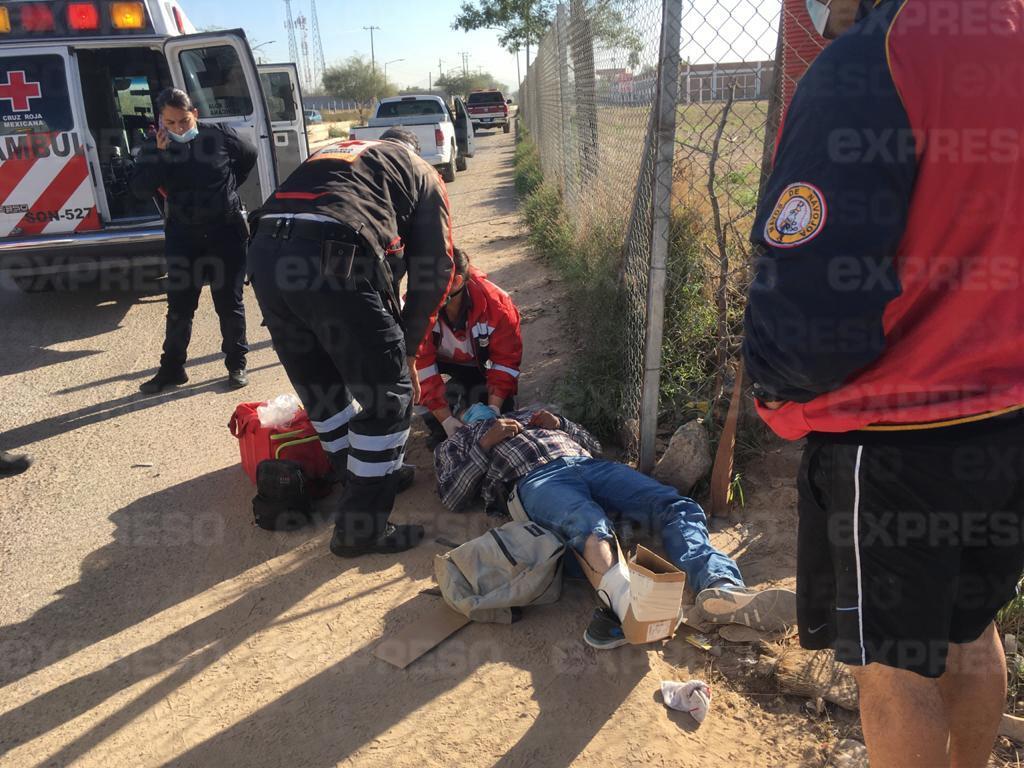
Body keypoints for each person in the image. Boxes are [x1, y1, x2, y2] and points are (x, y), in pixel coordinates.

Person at [742, 1, 1024, 765]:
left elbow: (810, 294)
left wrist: (775, 388)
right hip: (1011, 408)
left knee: (894, 669)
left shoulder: (874, 59)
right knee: (971, 629)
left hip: (899, 435)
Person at [247, 128, 454, 558]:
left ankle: (359, 474)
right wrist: (409, 349)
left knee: (320, 381)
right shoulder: (422, 173)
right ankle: (361, 528)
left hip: (266, 254)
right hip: (332, 255)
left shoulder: (338, 151)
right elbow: (435, 268)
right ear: (416, 151)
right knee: (389, 396)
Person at [434, 404, 796, 648]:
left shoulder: (529, 413)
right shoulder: (459, 442)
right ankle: (628, 607)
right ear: (467, 421)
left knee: (676, 505)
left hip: (588, 465)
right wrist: (484, 442)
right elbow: (453, 495)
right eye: (477, 413)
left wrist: (561, 425)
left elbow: (592, 444)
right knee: (589, 524)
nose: (487, 412)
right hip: (534, 481)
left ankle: (721, 587)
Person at [130, 88, 258, 394]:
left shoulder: (222, 137)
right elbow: (139, 189)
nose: (178, 129)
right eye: (170, 123)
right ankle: (172, 369)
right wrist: (160, 156)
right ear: (160, 121)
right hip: (183, 237)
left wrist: (226, 191)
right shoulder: (154, 146)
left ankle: (236, 364)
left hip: (225, 233)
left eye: (184, 121)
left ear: (195, 115)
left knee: (229, 304)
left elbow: (247, 158)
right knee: (179, 307)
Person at [416, 247, 523, 446]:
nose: (422, 290)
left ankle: (471, 400)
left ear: (456, 281)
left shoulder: (498, 305)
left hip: (476, 363)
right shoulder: (416, 307)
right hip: (439, 363)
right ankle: (436, 423)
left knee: (503, 408)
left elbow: (506, 362)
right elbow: (421, 369)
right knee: (406, 377)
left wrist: (494, 409)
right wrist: (446, 421)